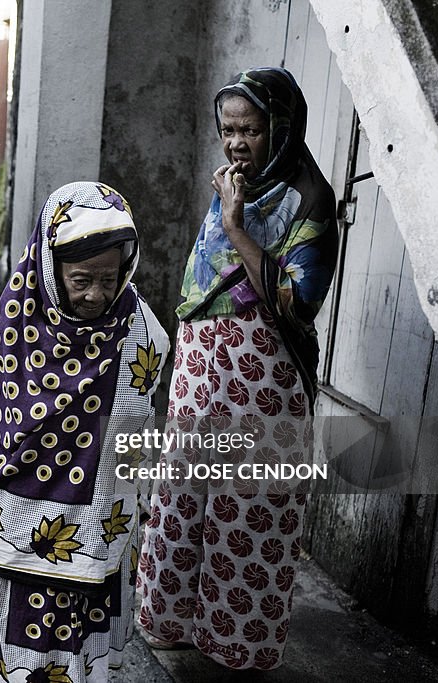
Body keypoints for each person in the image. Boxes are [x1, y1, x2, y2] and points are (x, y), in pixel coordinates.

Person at [136, 67, 338, 670]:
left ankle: (237, 643)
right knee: (179, 495)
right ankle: (167, 619)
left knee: (247, 508)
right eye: (227, 130)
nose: (236, 144)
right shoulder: (236, 185)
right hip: (205, 373)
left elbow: (299, 302)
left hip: (263, 380)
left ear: (281, 127)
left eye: (249, 129)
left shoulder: (309, 199)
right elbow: (203, 284)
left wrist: (235, 225)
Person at [0, 181, 170, 682]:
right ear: (50, 269)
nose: (96, 293)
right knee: (26, 646)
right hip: (19, 520)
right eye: (81, 279)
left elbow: (134, 428)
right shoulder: (17, 319)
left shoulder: (139, 328)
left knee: (81, 645)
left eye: (108, 277)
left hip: (96, 525)